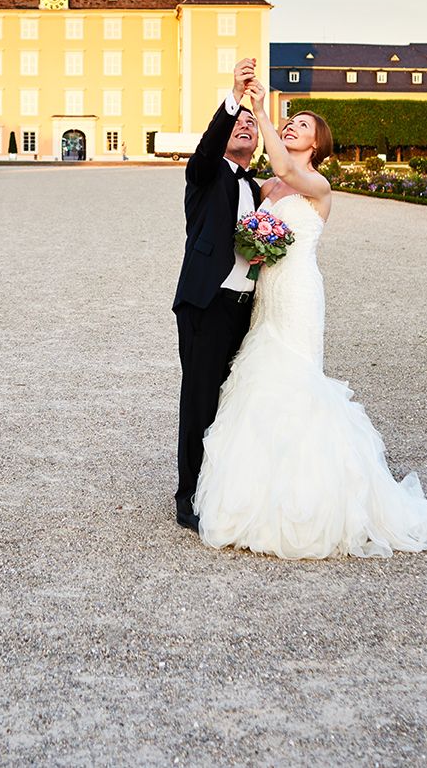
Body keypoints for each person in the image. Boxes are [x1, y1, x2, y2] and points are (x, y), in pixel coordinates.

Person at [194, 80, 427, 559]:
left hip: (298, 293)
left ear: (316, 145)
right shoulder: (268, 186)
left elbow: (280, 163)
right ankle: (259, 493)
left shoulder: (315, 185)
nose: (290, 126)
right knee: (258, 377)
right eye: (288, 123)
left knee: (295, 380)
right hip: (267, 295)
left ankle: (313, 499)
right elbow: (233, 200)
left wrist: (258, 105)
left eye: (301, 125)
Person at [172, 58, 262, 532]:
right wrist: (234, 96)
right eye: (238, 121)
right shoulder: (207, 172)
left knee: (237, 400)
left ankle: (226, 484)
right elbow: (210, 145)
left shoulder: (258, 186)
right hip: (207, 302)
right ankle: (188, 493)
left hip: (246, 307)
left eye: (252, 123)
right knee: (201, 397)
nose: (245, 125)